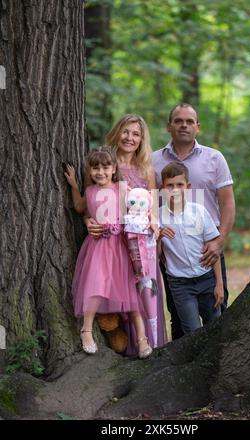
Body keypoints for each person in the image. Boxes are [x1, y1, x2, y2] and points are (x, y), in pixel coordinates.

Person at [66, 114, 167, 354]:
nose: (129, 138)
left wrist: (154, 223)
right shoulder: (102, 164)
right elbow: (91, 202)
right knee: (118, 288)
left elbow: (153, 206)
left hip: (140, 241)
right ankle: (124, 349)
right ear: (116, 132)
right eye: (126, 131)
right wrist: (87, 221)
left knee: (142, 291)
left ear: (142, 140)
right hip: (110, 242)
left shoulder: (146, 169)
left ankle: (150, 344)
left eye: (136, 134)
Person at [152, 103, 235, 340]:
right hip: (172, 251)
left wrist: (220, 242)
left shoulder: (214, 158)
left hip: (208, 247)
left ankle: (218, 365)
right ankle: (183, 370)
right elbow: (145, 201)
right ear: (169, 126)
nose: (184, 125)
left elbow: (228, 204)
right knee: (179, 316)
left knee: (217, 310)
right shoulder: (153, 160)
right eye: (178, 120)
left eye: (189, 121)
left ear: (198, 127)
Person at [158, 162, 224, 334]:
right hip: (180, 284)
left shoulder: (199, 211)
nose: (175, 189)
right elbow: (157, 256)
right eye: (169, 185)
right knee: (192, 331)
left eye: (179, 185)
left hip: (207, 279)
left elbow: (213, 249)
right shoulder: (158, 216)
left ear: (188, 187)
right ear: (163, 189)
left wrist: (219, 284)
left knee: (214, 327)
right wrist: (159, 237)